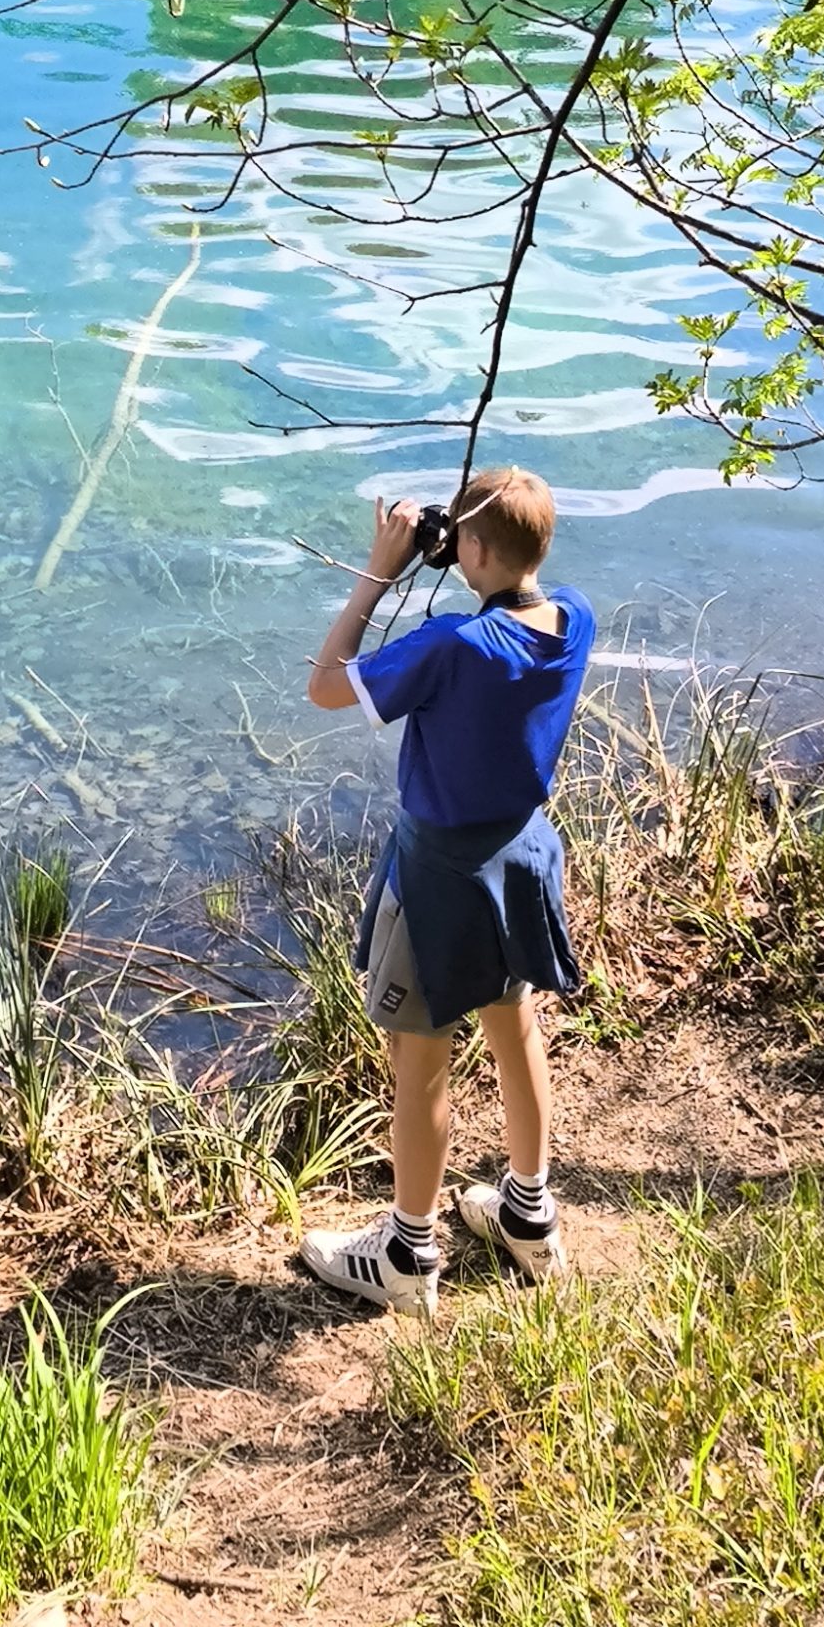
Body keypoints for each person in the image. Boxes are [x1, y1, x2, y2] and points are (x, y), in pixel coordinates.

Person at [298, 465, 595, 1312]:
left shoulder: (452, 647)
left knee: (420, 1059)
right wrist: (466, 548)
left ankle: (406, 1252)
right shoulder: (574, 618)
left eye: (460, 538)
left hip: (439, 877)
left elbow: (325, 686)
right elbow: (505, 600)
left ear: (473, 549)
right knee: (514, 1027)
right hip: (520, 858)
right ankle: (528, 1215)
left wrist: (378, 573)